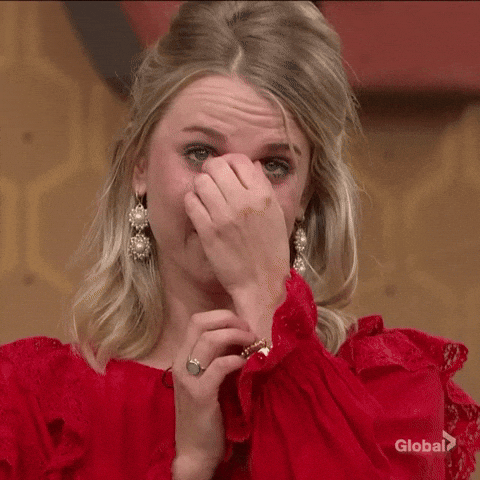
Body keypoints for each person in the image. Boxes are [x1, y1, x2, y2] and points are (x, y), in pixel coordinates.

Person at [1, 1, 479, 479]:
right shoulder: (30, 403)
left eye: (274, 165)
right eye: (200, 152)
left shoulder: (393, 387)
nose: (238, 195)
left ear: (307, 195)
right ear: (139, 167)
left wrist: (265, 296)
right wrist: (191, 466)